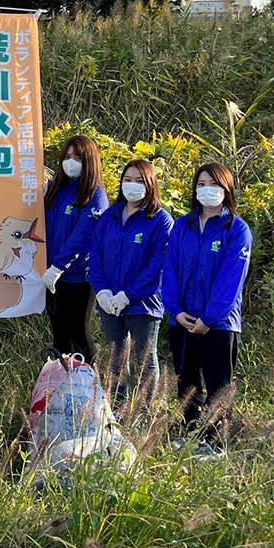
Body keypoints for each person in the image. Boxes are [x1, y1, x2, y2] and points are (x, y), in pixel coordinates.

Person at [161, 161, 253, 450]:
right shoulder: (181, 226)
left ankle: (216, 444)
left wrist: (210, 317)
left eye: (214, 184)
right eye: (201, 185)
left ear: (226, 189)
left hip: (219, 324)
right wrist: (175, 310)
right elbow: (170, 270)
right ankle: (191, 436)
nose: (207, 190)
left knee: (218, 386)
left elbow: (231, 279)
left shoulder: (236, 229)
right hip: (182, 320)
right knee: (187, 384)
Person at [89, 158, 172, 412]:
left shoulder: (160, 220)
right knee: (116, 358)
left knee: (145, 360)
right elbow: (96, 255)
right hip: (108, 301)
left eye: (139, 181)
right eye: (128, 180)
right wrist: (102, 291)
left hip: (143, 302)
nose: (132, 185)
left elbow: (158, 265)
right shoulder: (109, 216)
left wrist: (128, 294)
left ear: (150, 184)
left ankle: (143, 416)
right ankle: (118, 411)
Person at [41, 135, 108, 363]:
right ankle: (63, 386)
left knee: (79, 332)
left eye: (78, 157)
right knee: (60, 335)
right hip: (51, 277)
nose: (71, 162)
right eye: (67, 157)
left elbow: (83, 236)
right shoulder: (56, 190)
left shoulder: (95, 194)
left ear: (89, 161)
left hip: (79, 277)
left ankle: (90, 386)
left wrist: (59, 265)